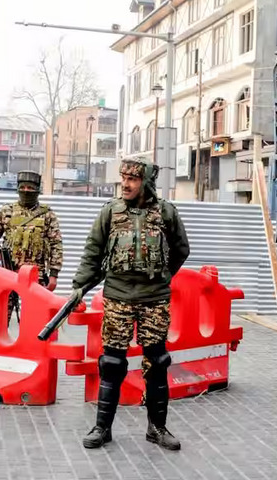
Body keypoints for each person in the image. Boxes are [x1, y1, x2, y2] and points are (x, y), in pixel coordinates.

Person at [71, 157, 190, 451]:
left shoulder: (166, 212)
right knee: (112, 362)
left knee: (157, 362)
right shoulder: (110, 212)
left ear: (146, 182)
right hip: (118, 297)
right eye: (123, 178)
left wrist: (162, 277)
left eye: (132, 179)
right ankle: (102, 428)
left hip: (154, 300)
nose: (125, 184)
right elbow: (93, 251)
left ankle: (157, 428)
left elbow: (181, 249)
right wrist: (78, 287)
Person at [0, 171, 63, 321]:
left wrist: (54, 275)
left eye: (30, 188)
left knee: (35, 320)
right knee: (1, 317)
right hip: (9, 272)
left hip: (36, 275)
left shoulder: (47, 214)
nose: (26, 191)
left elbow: (56, 245)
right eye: (23, 187)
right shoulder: (7, 211)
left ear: (37, 190)